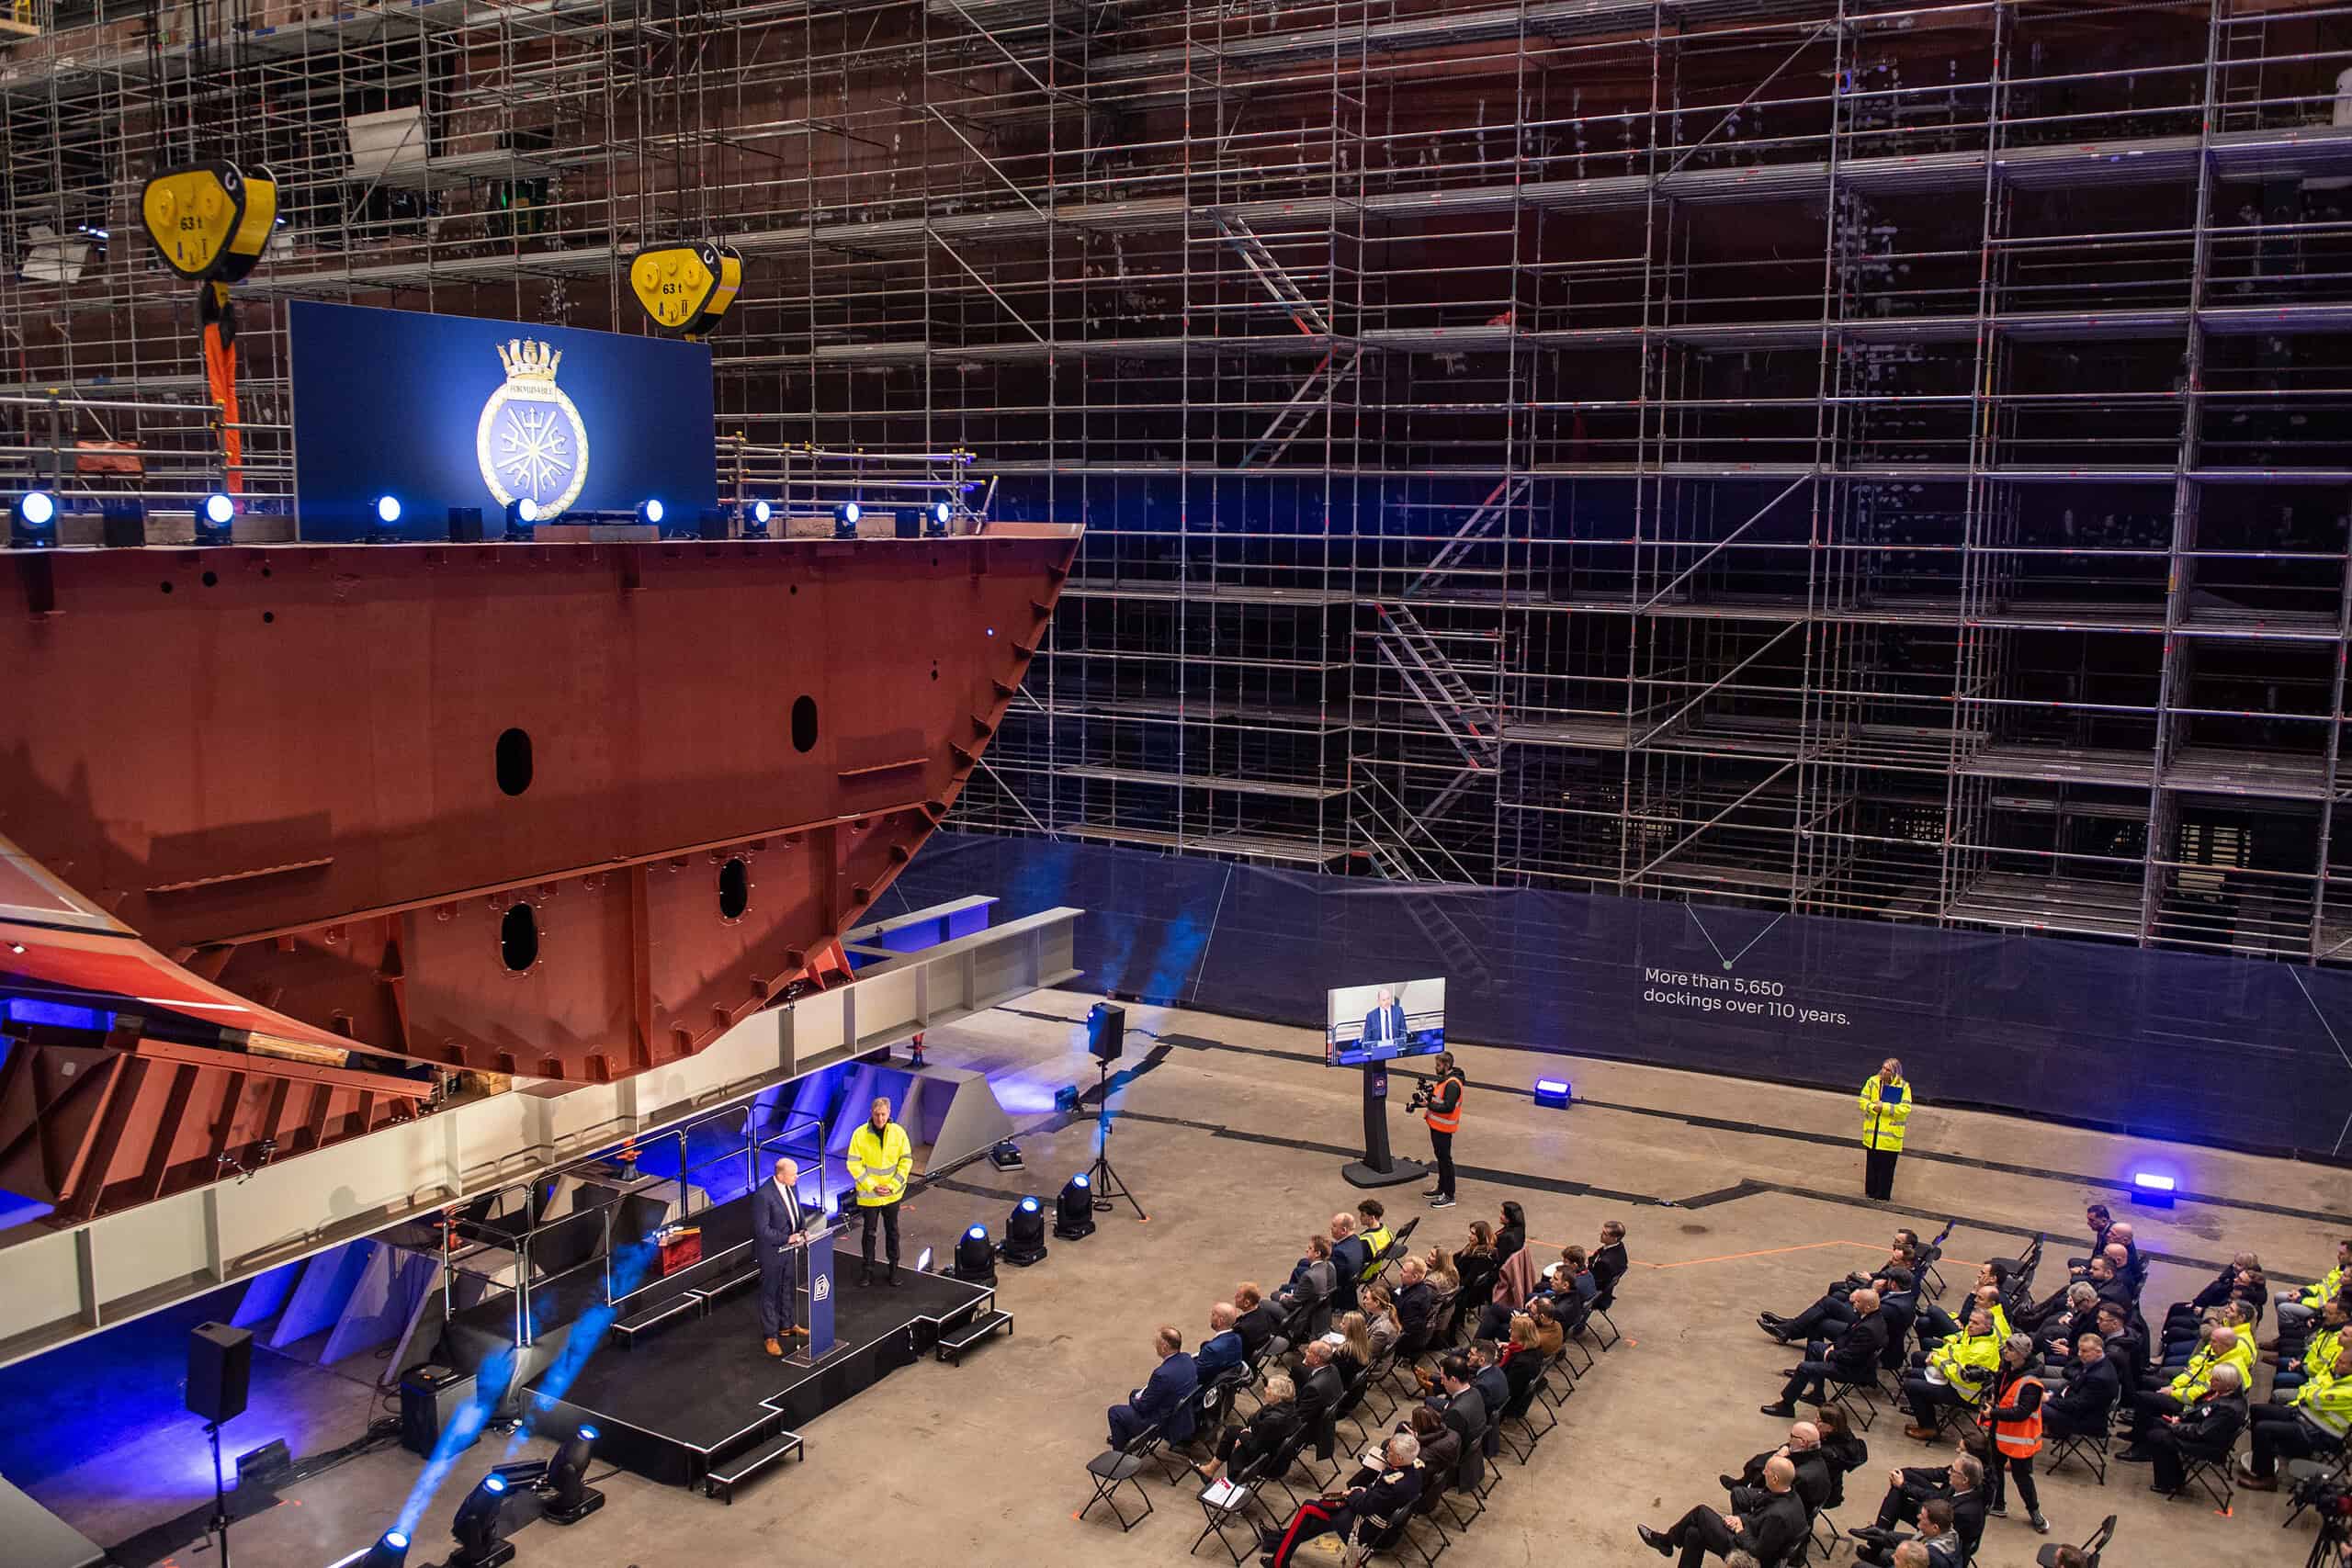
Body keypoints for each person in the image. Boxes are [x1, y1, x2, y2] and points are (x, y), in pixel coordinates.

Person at [1260, 1429, 1423, 1567]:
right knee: (1317, 1520)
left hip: (1366, 1526)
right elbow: (1376, 1498)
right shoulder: (1414, 1470)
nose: (1386, 1452)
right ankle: (1274, 1542)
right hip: (1375, 1513)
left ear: (1400, 1459)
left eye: (1390, 1452)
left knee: (1309, 1508)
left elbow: (1363, 1506)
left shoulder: (1393, 1484)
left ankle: (1279, 1562)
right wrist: (1363, 1492)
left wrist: (1354, 1492)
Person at [1635, 1454, 1807, 1568]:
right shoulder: (1791, 1496)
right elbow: (1759, 1518)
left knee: (1701, 1512)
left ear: (1775, 1478)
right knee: (1693, 1533)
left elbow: (1759, 1551)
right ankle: (1666, 1542)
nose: (1763, 1472)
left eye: (1767, 1471)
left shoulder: (1778, 1516)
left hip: (1752, 1560)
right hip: (1755, 1537)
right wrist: (1741, 1520)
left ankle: (1666, 1541)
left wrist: (1739, 1530)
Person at [2119, 1322, 2251, 1453]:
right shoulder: (2217, 1353)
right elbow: (2192, 1372)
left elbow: (2202, 1393)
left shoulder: (2230, 1368)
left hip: (2194, 1406)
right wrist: (2173, 1386)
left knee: (2145, 1398)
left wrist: (2172, 1393)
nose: (2210, 1344)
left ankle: (2143, 1448)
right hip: (2189, 1394)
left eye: (2214, 1341)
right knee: (2146, 1382)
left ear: (2225, 1345)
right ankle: (2138, 1432)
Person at [2242, 1339, 2352, 1490]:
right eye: (2338, 1360)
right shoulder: (2339, 1376)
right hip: (2306, 1415)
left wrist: (2312, 1389)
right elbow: (2313, 1388)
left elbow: (2313, 1397)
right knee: (2257, 1410)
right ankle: (2261, 1460)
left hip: (2321, 1433)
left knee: (2263, 1428)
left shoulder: (2348, 1391)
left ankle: (2267, 1479)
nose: (2336, 1364)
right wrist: (2313, 1388)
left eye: (2342, 1363)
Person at [1763, 1287, 1887, 1416]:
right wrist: (1834, 1346)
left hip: (1850, 1369)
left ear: (1866, 1307)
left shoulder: (1868, 1329)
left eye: (1857, 1302)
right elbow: (1847, 1335)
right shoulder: (1870, 1316)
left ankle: (1786, 1406)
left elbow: (1850, 1357)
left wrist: (1831, 1353)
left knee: (1804, 1367)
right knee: (1814, 1346)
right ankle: (1817, 1394)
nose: (1853, 1304)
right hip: (1847, 1356)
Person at [1853, 1452, 1984, 1568]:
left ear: (1965, 1479)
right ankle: (1876, 1543)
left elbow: (1924, 1543)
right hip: (1933, 1537)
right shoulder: (1958, 1489)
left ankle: (1877, 1548)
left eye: (1953, 1471)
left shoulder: (1966, 1513)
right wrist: (1882, 1534)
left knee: (1860, 1566)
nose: (1949, 1472)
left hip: (1937, 1549)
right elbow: (1934, 1498)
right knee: (1901, 1486)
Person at [1977, 1334, 2049, 1533]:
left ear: (2020, 1354)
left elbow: (2022, 1412)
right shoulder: (2007, 1370)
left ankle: (2034, 1512)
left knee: (2022, 1477)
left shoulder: (2031, 1384)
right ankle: (1997, 1504)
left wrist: (1994, 1412)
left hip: (2020, 1438)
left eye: (2009, 1350)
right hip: (1999, 1432)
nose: (2004, 1352)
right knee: (1994, 1470)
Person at [2146, 1361, 2246, 1497]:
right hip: (2203, 1431)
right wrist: (2181, 1419)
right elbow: (2200, 1412)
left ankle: (2169, 1483)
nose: (2210, 1381)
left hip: (2210, 1445)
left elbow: (2202, 1432)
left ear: (2227, 1384)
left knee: (2158, 1436)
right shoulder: (2224, 1394)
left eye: (2215, 1379)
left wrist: (2176, 1427)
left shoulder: (2228, 1409)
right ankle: (2174, 1475)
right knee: (2157, 1423)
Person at [1902, 1305, 2000, 1438]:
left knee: (1910, 1385)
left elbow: (1960, 1374)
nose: (1970, 1325)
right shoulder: (1976, 1335)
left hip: (1965, 1393)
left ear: (1987, 1327)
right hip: (1953, 1381)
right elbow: (1955, 1350)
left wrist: (1936, 1360)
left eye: (1975, 1323)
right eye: (1970, 1321)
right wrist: (1935, 1353)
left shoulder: (1983, 1351)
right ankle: (1924, 1409)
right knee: (1914, 1369)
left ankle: (1929, 1428)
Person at [845, 1095, 912, 1285]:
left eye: (883, 1114)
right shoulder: (860, 1134)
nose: (880, 1119)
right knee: (869, 1233)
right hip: (870, 1196)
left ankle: (894, 1270)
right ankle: (867, 1271)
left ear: (889, 1113)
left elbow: (906, 1161)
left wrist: (892, 1186)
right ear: (871, 1114)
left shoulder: (898, 1133)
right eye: (877, 1115)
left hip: (892, 1195)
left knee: (893, 1232)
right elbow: (853, 1164)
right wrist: (872, 1186)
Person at [751, 1156, 811, 1357]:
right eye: (793, 1174)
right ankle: (770, 1336)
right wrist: (787, 1238)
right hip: (772, 1252)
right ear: (780, 1175)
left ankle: (787, 1324)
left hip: (789, 1250)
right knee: (770, 1293)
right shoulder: (764, 1195)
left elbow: (796, 1211)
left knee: (787, 1286)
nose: (797, 1178)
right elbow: (762, 1230)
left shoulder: (791, 1185)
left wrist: (803, 1229)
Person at [1195, 1371, 1302, 1483]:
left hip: (1266, 1460)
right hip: (1267, 1445)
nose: (1265, 1389)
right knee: (1231, 1431)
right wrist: (1248, 1431)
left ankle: (1232, 1484)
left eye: (1269, 1388)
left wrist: (1243, 1436)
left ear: (1277, 1395)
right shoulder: (1288, 1407)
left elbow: (1254, 1447)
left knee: (1237, 1445)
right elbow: (1253, 1420)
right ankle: (1210, 1469)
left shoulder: (1273, 1420)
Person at [1109, 1325, 1198, 1449]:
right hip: (1182, 1415)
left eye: (1156, 1343)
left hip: (1162, 1423)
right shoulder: (1187, 1359)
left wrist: (1136, 1400)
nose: (1155, 1346)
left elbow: (1144, 1407)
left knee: (1115, 1412)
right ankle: (1127, 1435)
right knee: (1134, 1393)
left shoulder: (1162, 1374)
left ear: (1164, 1347)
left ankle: (1120, 1454)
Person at [1724, 1419, 1831, 1513]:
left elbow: (1778, 1496)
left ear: (1803, 1442)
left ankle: (1742, 1525)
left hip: (1787, 1511)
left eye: (1792, 1436)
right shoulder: (1816, 1458)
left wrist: (1777, 1457)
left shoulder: (1800, 1476)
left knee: (1739, 1494)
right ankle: (1745, 1483)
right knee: (1761, 1460)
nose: (1789, 1439)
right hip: (1800, 1505)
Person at [2041, 1332, 2120, 1440]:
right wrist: (2052, 1395)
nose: (2079, 1354)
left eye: (2084, 1351)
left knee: (2034, 1406)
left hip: (2085, 1419)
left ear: (2098, 1352)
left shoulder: (2099, 1377)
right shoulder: (2096, 1362)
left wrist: (2048, 1400)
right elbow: (2072, 1384)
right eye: (2079, 1350)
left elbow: (2076, 1406)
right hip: (2076, 1405)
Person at [1858, 1057, 1912, 1201]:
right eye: (1883, 1067)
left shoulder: (1903, 1087)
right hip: (1873, 1135)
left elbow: (1905, 1108)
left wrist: (1884, 1107)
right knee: (1872, 1166)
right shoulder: (1872, 1081)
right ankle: (1871, 1192)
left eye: (1887, 1069)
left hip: (1890, 1137)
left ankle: (1882, 1195)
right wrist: (1873, 1107)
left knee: (1886, 1169)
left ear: (1894, 1072)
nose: (1883, 1071)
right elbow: (1863, 1101)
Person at [2275, 1239, 2351, 1338]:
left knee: (2284, 1309)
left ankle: (2286, 1340)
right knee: (2279, 1296)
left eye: (2342, 1254)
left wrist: (2301, 1300)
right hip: (2315, 1301)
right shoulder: (2340, 1268)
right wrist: (2301, 1293)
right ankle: (2283, 1339)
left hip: (2320, 1310)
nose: (2338, 1255)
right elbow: (2322, 1286)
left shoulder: (2347, 1279)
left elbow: (2326, 1302)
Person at [1419, 1050, 1465, 1207]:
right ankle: (1442, 1188)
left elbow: (1447, 1107)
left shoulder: (1452, 1084)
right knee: (1441, 1159)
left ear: (1446, 1065)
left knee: (1445, 1161)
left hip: (1444, 1128)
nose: (1436, 1068)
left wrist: (1429, 1104)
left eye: (1438, 1065)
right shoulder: (1445, 1080)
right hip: (1437, 1125)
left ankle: (1449, 1195)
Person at [1275, 1234, 1338, 1316]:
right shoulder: (1331, 1266)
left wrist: (1283, 1298)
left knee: (1273, 1296)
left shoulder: (1309, 1276)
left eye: (1310, 1248)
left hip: (1303, 1316)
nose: (1306, 1250)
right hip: (1322, 1314)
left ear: (1317, 1253)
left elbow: (1294, 1303)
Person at [1199, 1303, 1249, 1379]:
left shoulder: (1211, 1349)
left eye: (1213, 1315)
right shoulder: (1237, 1338)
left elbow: (1198, 1374)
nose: (1211, 1317)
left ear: (1220, 1321)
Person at [1394, 1257, 1437, 1344]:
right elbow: (1399, 1291)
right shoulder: (1412, 1285)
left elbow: (1403, 1330)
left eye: (1404, 1272)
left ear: (1414, 1277)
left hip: (1405, 1342)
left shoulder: (1413, 1302)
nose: (1400, 1273)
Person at [2066, 1203, 2117, 1276]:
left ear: (2104, 1220)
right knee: (2073, 1262)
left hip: (2106, 1270)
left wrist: (2085, 1271)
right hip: (2098, 1262)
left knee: (2077, 1277)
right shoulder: (2102, 1228)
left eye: (2092, 1220)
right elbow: (2097, 1251)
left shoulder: (2112, 1236)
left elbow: (2109, 1265)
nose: (2088, 1223)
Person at [1233, 1282, 1283, 1357]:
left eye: (1238, 1296)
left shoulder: (1242, 1328)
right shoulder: (1263, 1311)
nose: (1235, 1297)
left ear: (1247, 1303)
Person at [1329, 1213, 1371, 1291]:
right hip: (1351, 1285)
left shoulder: (1339, 1253)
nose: (1331, 1228)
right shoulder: (1356, 1239)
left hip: (1339, 1292)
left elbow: (1331, 1277)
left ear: (1344, 1230)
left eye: (1334, 1226)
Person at [1355, 1200, 1394, 1283]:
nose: (1360, 1217)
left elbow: (1355, 1261)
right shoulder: (1386, 1231)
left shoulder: (1366, 1241)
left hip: (1364, 1274)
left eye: (1363, 1215)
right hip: (1376, 1269)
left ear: (1372, 1217)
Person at [1362, 987, 1408, 1054]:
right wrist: (1373, 1048)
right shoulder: (1371, 1016)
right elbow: (1367, 1037)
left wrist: (1398, 1044)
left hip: (1395, 1049)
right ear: (1378, 1001)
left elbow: (1403, 1031)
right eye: (1383, 1000)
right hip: (1378, 1051)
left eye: (1388, 999)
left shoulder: (1398, 1011)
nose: (1387, 1002)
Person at [1591, 1220, 1630, 1302]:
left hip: (1595, 1290)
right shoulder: (1620, 1246)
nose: (1601, 1235)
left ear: (1615, 1238)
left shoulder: (1605, 1262)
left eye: (1605, 1234)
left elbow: (1594, 1282)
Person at [1495, 1201, 1527, 1267]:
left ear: (1510, 1216)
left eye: (1503, 1214)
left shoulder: (1507, 1238)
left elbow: (1500, 1261)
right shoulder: (1519, 1229)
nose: (1500, 1216)